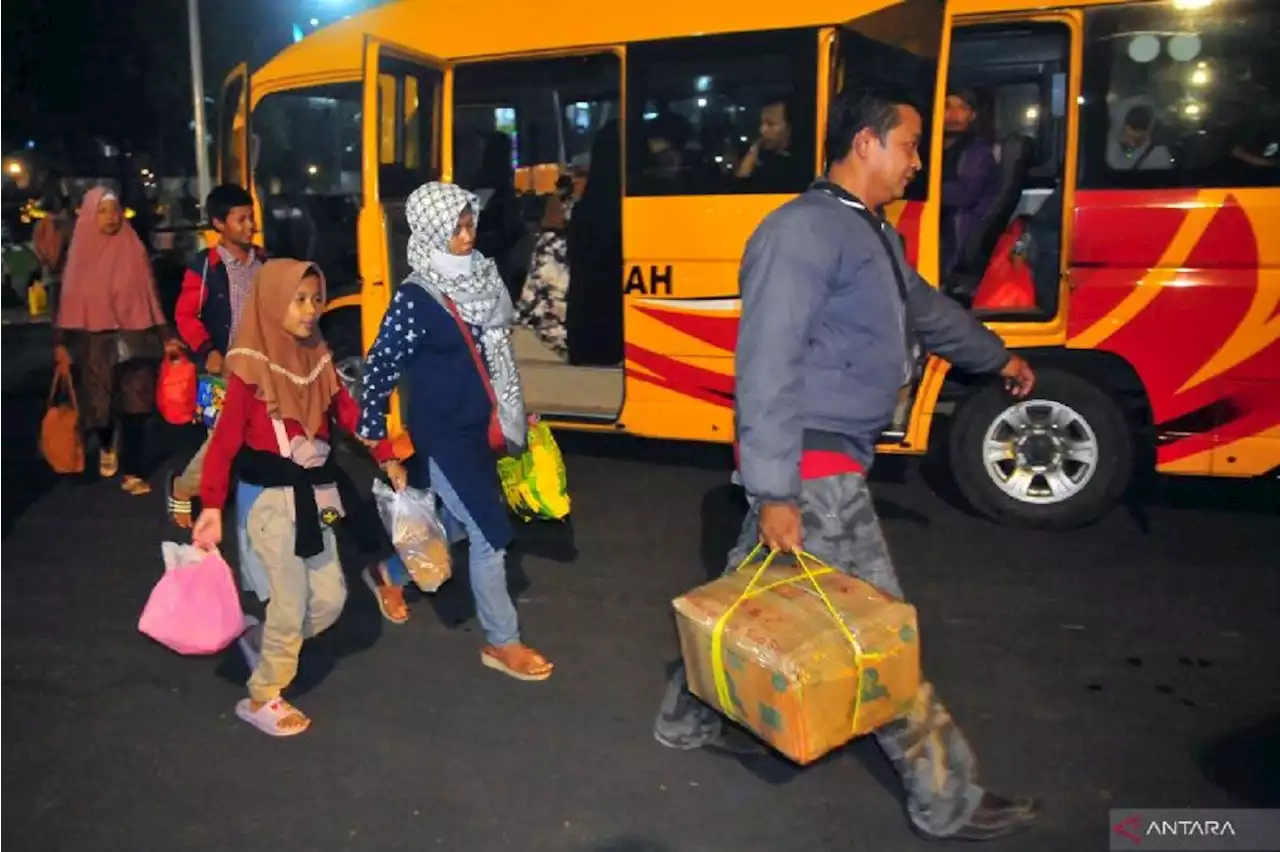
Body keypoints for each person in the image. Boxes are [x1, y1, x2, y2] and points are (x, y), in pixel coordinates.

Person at [651, 89, 1039, 842]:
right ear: (866, 143)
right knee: (878, 638)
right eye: (911, 145)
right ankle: (946, 797)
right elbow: (765, 365)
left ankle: (685, 718)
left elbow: (925, 311)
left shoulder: (870, 233)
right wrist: (774, 488)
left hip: (828, 459)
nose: (919, 163)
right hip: (812, 463)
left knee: (745, 596)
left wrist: (998, 359)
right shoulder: (800, 232)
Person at [192, 260, 401, 737]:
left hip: (314, 496)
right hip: (269, 503)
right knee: (289, 602)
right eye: (298, 300)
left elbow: (348, 412)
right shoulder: (249, 365)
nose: (310, 311)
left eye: (315, 299)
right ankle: (263, 694)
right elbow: (223, 443)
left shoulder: (317, 356)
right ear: (271, 301)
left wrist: (385, 453)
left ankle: (266, 642)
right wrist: (209, 507)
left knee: (328, 599)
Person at [357, 181, 554, 683]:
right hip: (442, 434)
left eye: (470, 224)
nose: (468, 236)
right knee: (490, 534)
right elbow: (378, 368)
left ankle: (391, 574)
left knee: (460, 524)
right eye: (457, 227)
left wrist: (512, 411)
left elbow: (496, 357)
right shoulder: (416, 298)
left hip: (478, 428)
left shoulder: (482, 276)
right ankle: (501, 641)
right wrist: (379, 444)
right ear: (432, 230)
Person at [53, 186, 182, 494]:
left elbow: (150, 296)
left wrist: (166, 336)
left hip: (136, 335)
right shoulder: (80, 253)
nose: (111, 217)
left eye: (115, 209)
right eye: (103, 211)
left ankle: (134, 472)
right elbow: (68, 301)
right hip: (94, 340)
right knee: (100, 405)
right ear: (89, 215)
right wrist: (61, 344)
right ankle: (107, 443)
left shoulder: (132, 246)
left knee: (136, 405)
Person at [168, 184, 263, 528]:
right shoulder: (206, 266)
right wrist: (207, 351)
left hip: (260, 369)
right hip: (221, 370)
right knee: (222, 442)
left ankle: (241, 508)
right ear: (219, 224)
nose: (250, 225)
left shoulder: (263, 261)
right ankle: (185, 488)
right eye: (241, 219)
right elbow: (185, 315)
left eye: (251, 217)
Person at [940, 88, 1001, 279]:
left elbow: (965, 194)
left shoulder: (978, 150)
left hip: (959, 230)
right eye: (947, 107)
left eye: (963, 108)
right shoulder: (932, 146)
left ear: (973, 115)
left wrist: (925, 189)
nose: (953, 115)